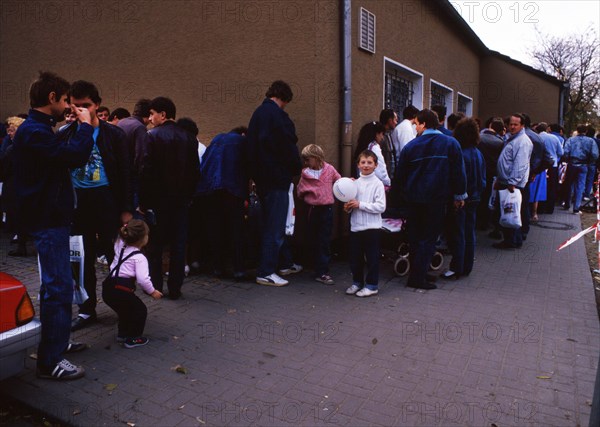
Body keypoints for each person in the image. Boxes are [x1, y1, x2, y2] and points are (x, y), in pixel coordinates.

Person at [13, 71, 94, 380]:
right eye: (63, 100)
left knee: (55, 284)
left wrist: (72, 126)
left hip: (50, 217)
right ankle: (50, 361)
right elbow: (71, 157)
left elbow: (56, 150)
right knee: (58, 287)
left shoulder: (39, 129)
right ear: (51, 99)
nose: (66, 105)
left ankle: (58, 341)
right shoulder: (35, 132)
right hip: (48, 220)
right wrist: (85, 126)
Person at [65, 80, 133, 332]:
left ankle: (123, 304)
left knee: (116, 256)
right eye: (76, 105)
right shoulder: (68, 133)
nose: (81, 110)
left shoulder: (114, 134)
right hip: (79, 202)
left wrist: (126, 208)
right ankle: (87, 308)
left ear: (97, 105)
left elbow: (127, 172)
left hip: (107, 199)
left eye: (86, 105)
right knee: (81, 258)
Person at [394, 109, 467, 290]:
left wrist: (399, 199)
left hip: (414, 199)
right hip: (437, 199)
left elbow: (400, 176)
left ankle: (418, 273)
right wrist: (459, 196)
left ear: (424, 124)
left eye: (416, 123)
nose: (415, 127)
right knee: (429, 238)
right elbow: (459, 173)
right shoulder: (451, 144)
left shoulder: (410, 147)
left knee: (416, 237)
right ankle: (418, 277)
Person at [139, 96, 200, 299]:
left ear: (163, 114)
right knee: (178, 244)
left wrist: (143, 202)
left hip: (158, 201)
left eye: (152, 113)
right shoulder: (190, 138)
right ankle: (175, 287)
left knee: (155, 245)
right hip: (181, 201)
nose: (150, 118)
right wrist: (189, 196)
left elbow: (146, 171)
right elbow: (195, 172)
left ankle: (156, 286)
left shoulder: (152, 136)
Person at [246, 80, 302, 287]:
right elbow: (287, 146)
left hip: (262, 179)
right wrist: (295, 168)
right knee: (276, 225)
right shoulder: (279, 117)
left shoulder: (257, 114)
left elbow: (251, 149)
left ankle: (284, 263)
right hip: (277, 179)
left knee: (271, 222)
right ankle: (266, 271)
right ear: (284, 98)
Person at [195, 127, 248, 279]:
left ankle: (218, 267)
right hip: (232, 190)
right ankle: (239, 269)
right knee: (236, 231)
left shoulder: (217, 139)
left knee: (216, 230)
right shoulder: (241, 141)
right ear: (244, 134)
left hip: (210, 191)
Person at [102, 219, 162, 348]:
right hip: (121, 289)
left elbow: (119, 236)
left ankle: (122, 334)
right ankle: (134, 338)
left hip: (107, 287)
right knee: (140, 310)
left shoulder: (119, 244)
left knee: (125, 311)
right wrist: (152, 291)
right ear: (143, 239)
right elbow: (143, 279)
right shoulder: (139, 258)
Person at [443, 118, 485, 279]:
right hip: (475, 197)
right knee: (469, 232)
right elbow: (482, 178)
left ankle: (456, 267)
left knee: (458, 233)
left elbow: (459, 178)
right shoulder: (478, 153)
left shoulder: (460, 153)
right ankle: (467, 266)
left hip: (462, 198)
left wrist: (456, 196)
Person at [297, 144, 341, 285]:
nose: (305, 162)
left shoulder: (329, 169)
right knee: (312, 238)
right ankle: (314, 266)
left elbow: (339, 181)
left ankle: (322, 271)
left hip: (326, 209)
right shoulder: (305, 174)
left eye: (308, 159)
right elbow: (300, 191)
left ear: (316, 158)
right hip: (313, 209)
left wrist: (348, 184)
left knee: (324, 240)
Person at [344, 149, 386, 297]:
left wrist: (359, 204)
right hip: (356, 227)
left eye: (370, 162)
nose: (366, 165)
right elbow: (351, 204)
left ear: (375, 165)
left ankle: (372, 285)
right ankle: (357, 282)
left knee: (372, 258)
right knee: (355, 258)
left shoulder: (378, 184)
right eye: (363, 162)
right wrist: (348, 208)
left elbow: (381, 206)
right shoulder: (354, 183)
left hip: (372, 228)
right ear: (358, 165)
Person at [493, 113, 533, 249]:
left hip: (512, 184)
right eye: (510, 124)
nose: (512, 126)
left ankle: (511, 241)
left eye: (516, 124)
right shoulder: (512, 138)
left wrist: (512, 182)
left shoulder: (523, 141)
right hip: (507, 181)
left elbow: (520, 164)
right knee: (509, 212)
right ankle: (512, 240)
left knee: (511, 213)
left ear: (522, 125)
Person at [563, 124, 599, 214]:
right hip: (583, 165)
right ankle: (576, 207)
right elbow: (595, 154)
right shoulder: (590, 141)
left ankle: (567, 203)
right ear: (586, 131)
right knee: (580, 186)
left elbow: (565, 152)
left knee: (569, 184)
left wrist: (568, 159)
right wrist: (589, 162)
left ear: (577, 130)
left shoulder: (571, 139)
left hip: (572, 164)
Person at [353, 121, 390, 186]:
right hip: (373, 184)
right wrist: (387, 181)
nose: (382, 137)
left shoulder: (362, 147)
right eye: (381, 134)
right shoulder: (374, 148)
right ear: (376, 134)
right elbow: (381, 170)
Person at [378, 109, 398, 180]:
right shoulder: (380, 137)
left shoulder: (389, 134)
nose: (396, 123)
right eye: (395, 120)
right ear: (390, 120)